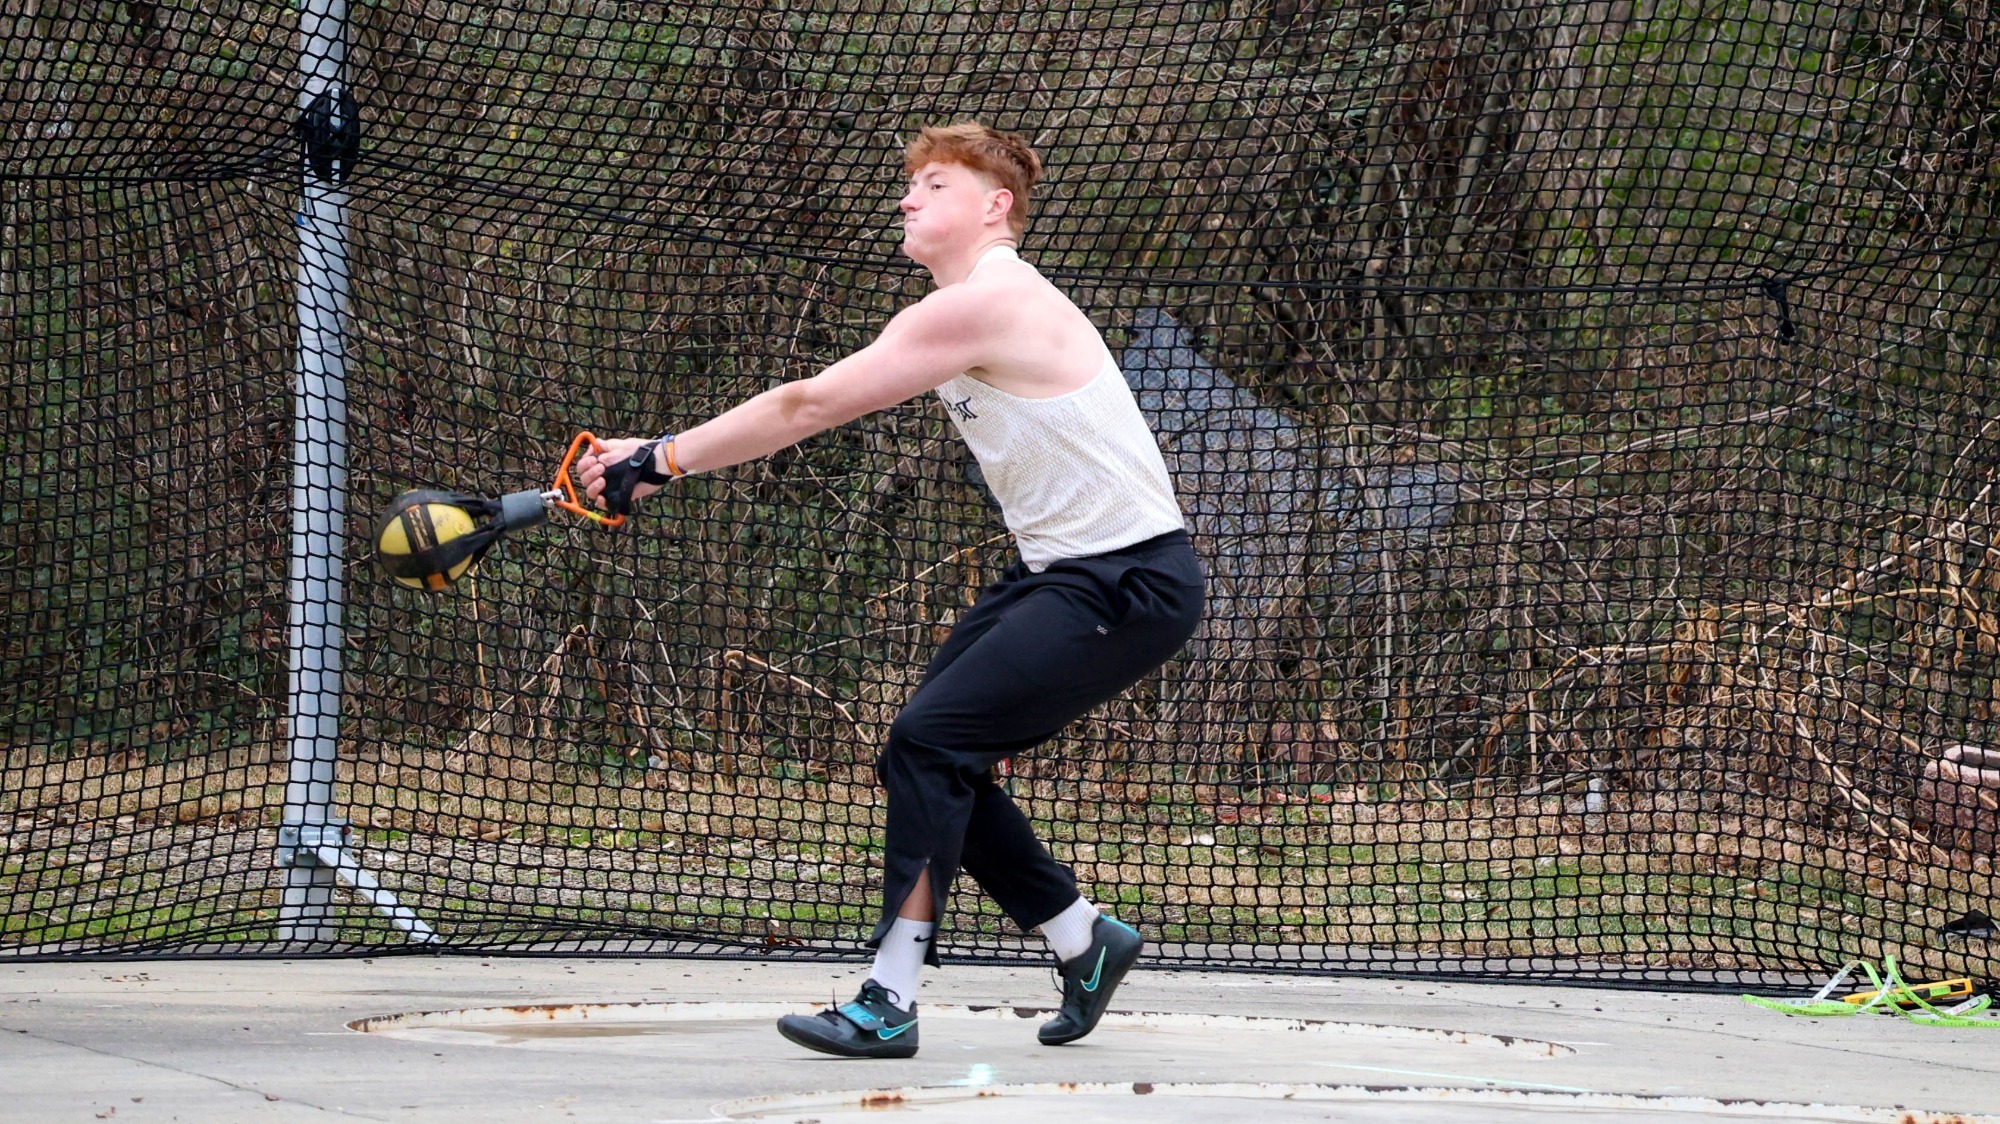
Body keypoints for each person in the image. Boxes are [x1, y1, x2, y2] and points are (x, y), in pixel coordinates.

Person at [579, 123, 1205, 1059]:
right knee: (924, 755)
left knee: (928, 743)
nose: (909, 197)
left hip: (1128, 579)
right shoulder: (962, 306)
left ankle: (888, 999)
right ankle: (1083, 939)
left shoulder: (988, 300)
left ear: (995, 206)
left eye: (934, 182)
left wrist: (658, 459)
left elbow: (809, 404)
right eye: (908, 183)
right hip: (1063, 572)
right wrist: (657, 455)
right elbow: (810, 400)